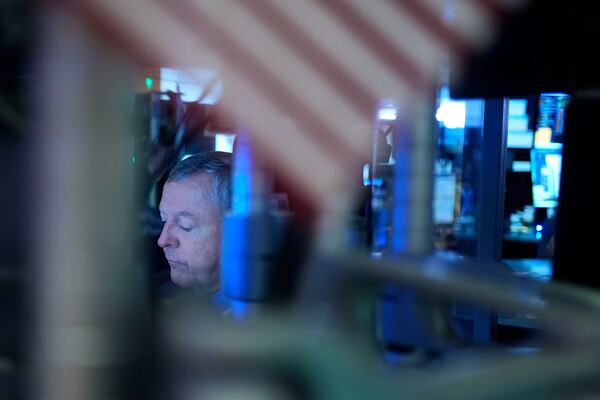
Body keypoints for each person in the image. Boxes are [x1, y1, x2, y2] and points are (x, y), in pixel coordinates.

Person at [157, 151, 232, 302]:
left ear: (237, 230)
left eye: (186, 226)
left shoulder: (269, 320)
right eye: (164, 220)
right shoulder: (157, 298)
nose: (162, 240)